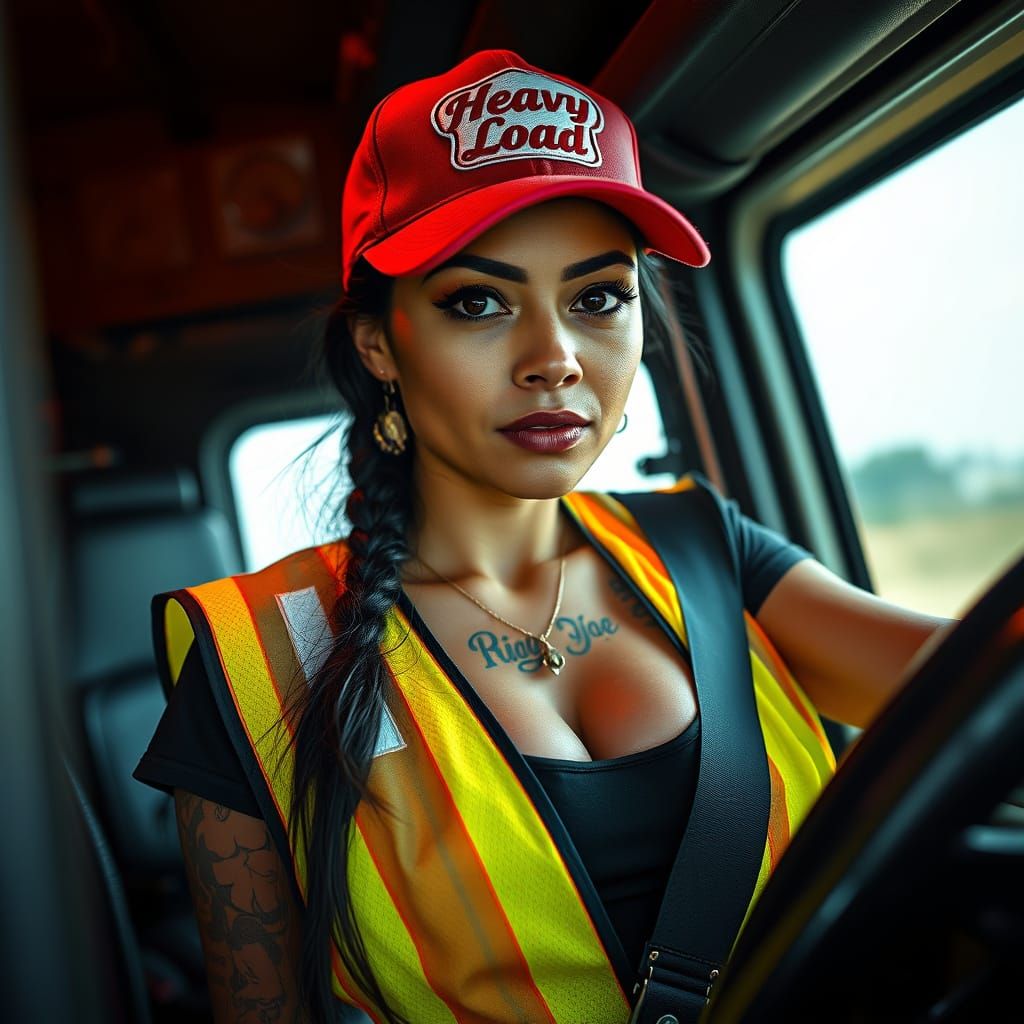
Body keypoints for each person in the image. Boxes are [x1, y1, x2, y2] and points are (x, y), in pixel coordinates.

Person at [134, 49, 954, 1024]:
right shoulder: (258, 657)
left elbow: (971, 688)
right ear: (377, 343)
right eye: (478, 301)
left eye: (598, 296)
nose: (554, 358)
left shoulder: (703, 549)